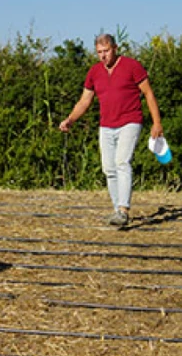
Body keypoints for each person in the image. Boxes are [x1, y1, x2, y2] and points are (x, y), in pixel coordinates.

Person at [58, 33, 163, 227]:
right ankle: (117, 211)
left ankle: (123, 210)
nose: (103, 56)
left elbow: (148, 94)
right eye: (99, 52)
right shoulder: (94, 72)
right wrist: (71, 119)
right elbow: (85, 100)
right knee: (109, 168)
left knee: (122, 161)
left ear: (115, 48)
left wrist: (156, 123)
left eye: (106, 51)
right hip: (106, 126)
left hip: (130, 121)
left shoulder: (132, 66)